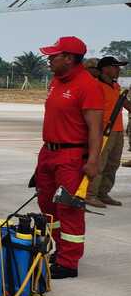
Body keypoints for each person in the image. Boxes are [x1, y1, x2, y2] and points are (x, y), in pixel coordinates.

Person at [35, 36, 103, 279]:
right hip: (48, 153)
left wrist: (93, 160)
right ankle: (59, 249)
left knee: (69, 209)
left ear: (69, 58)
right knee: (47, 206)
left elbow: (95, 128)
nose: (49, 60)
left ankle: (69, 261)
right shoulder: (55, 81)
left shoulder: (88, 85)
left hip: (71, 156)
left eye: (54, 56)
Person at [86, 56, 129, 207]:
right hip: (102, 132)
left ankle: (103, 192)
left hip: (117, 131)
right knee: (99, 163)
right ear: (105, 69)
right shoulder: (95, 86)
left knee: (113, 163)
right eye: (115, 66)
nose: (119, 70)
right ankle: (90, 194)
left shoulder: (115, 86)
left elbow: (124, 103)